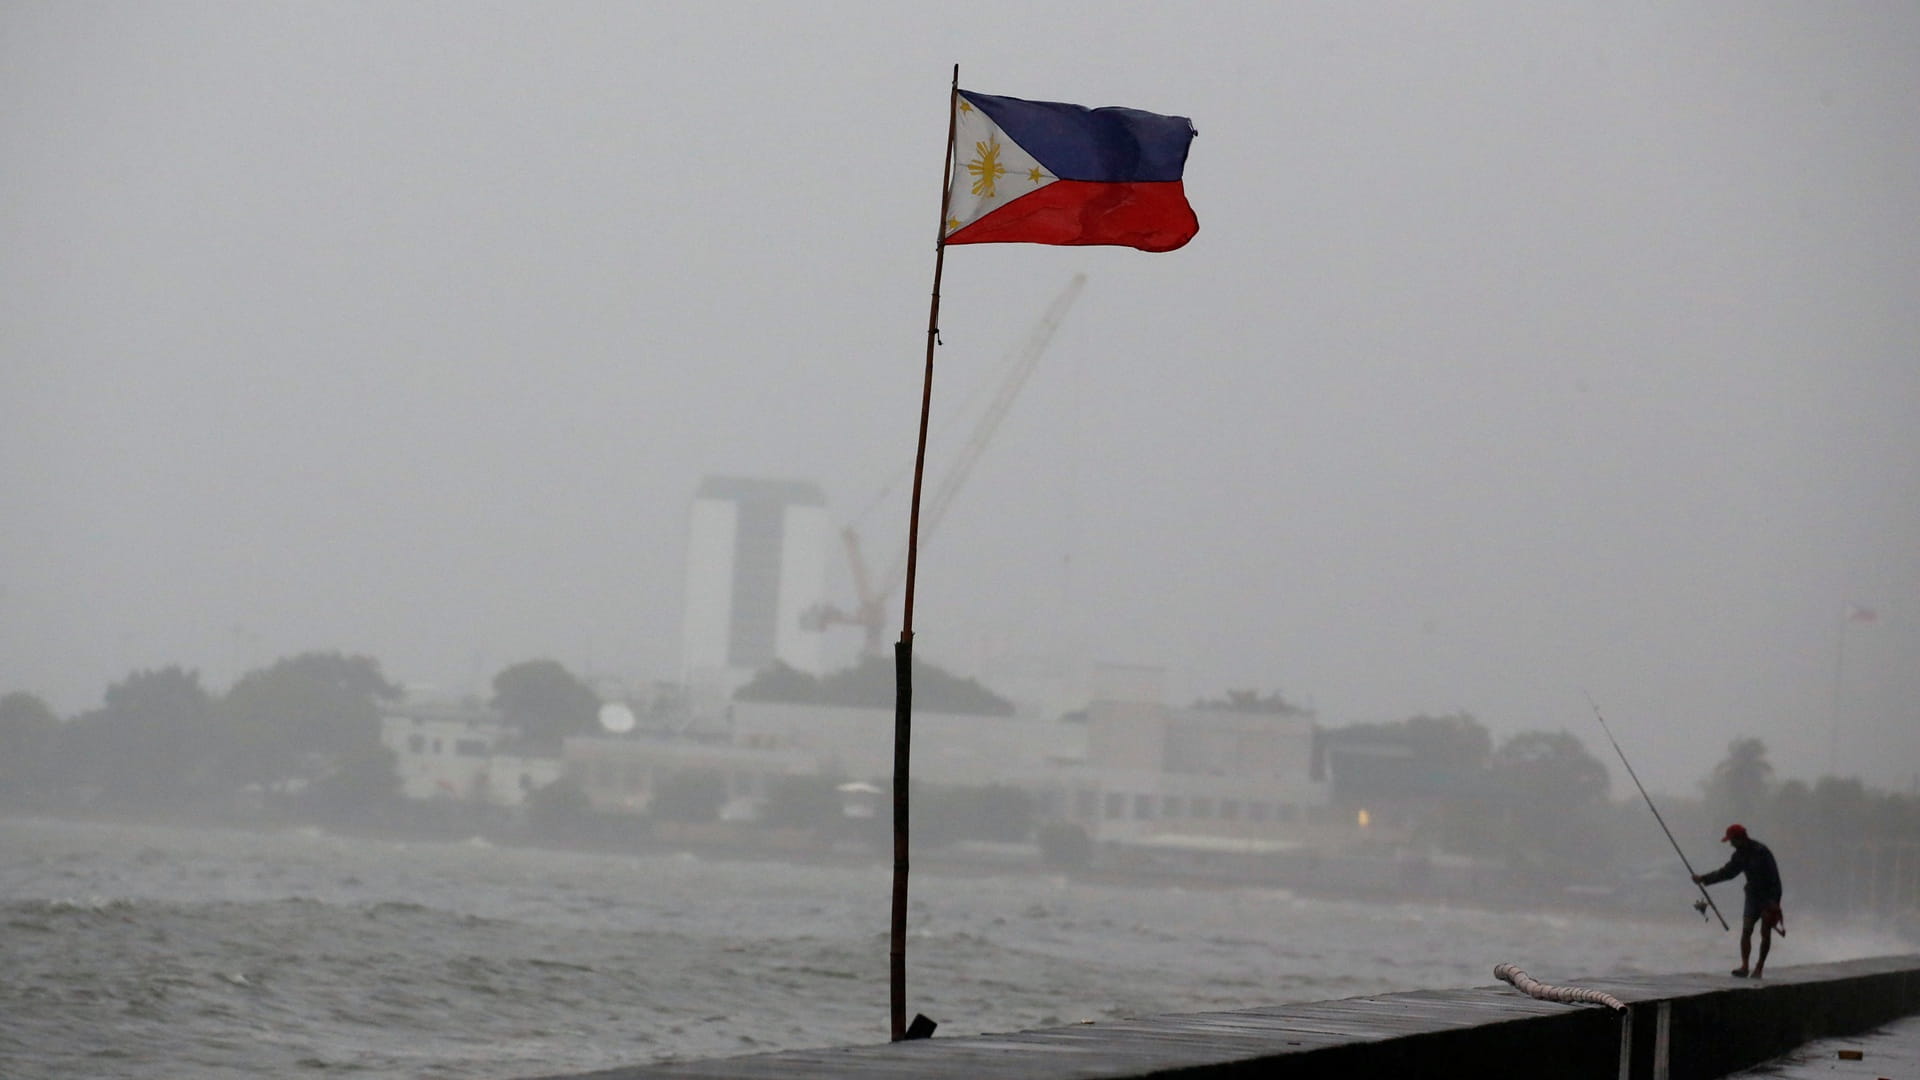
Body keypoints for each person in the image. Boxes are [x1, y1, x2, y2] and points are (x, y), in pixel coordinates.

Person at [1692, 824, 1785, 978]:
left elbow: (1775, 878)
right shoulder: (1739, 855)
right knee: (1747, 930)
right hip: (1752, 895)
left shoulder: (1761, 852)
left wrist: (1774, 901)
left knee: (1765, 932)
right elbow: (1727, 872)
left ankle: (1759, 968)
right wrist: (1703, 878)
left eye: (1732, 840)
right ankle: (1745, 966)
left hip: (1769, 896)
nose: (1730, 844)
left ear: (1740, 838)